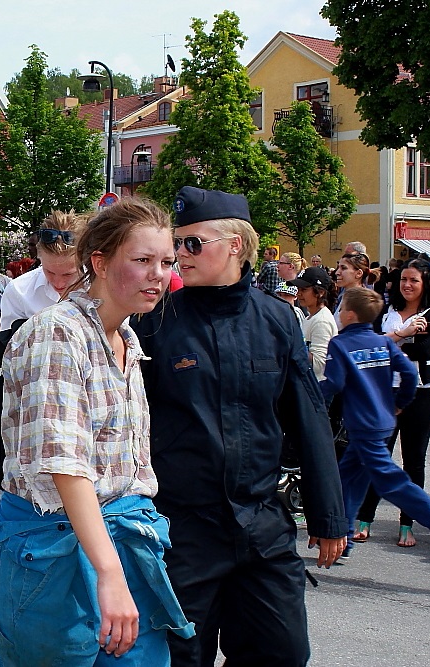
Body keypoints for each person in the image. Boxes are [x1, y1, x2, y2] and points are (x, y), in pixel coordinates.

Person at [132, 186, 347, 667]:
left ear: (235, 245)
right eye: (175, 245)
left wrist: (328, 515)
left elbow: (307, 415)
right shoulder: (154, 321)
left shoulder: (277, 320)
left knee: (284, 652)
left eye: (192, 243)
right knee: (180, 657)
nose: (180, 256)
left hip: (261, 527)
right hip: (182, 529)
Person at [0, 197, 193, 667]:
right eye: (141, 260)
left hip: (123, 538)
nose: (158, 274)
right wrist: (109, 571)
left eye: (165, 262)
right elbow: (65, 465)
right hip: (54, 545)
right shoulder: (56, 332)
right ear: (99, 262)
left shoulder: (127, 340)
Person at [321, 287, 430, 572]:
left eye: (340, 309)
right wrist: (400, 402)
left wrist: (308, 396)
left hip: (362, 425)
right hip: (383, 421)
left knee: (391, 482)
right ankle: (344, 538)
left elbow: (333, 384)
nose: (338, 313)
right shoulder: (382, 342)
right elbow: (410, 372)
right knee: (347, 477)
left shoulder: (340, 344)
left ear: (349, 315)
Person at [355, 258, 430, 547]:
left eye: (414, 280)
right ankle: (364, 518)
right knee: (377, 457)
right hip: (386, 393)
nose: (407, 285)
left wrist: (393, 343)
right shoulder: (387, 311)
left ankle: (407, 523)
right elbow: (368, 343)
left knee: (413, 460)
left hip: (423, 393)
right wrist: (406, 335)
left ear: (425, 284)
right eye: (404, 279)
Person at [0, 211, 83, 329]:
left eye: (68, 274)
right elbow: (8, 344)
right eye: (49, 272)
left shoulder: (102, 288)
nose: (58, 283)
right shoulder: (19, 291)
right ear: (39, 257)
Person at [288, 266, 337, 381]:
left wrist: (292, 345)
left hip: (318, 387)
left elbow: (319, 365)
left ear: (320, 292)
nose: (298, 293)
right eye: (298, 289)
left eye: (304, 289)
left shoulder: (321, 320)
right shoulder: (311, 317)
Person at [333, 251, 371, 329]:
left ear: (358, 273)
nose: (337, 272)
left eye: (343, 268)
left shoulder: (363, 301)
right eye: (338, 268)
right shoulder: (345, 297)